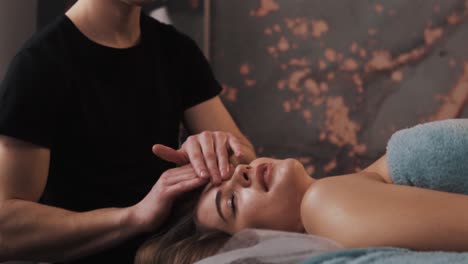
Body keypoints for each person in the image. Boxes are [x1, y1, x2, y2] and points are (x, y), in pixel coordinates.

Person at [0, 0, 255, 263]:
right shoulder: (39, 65)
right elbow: (5, 230)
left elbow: (246, 157)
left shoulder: (175, 50)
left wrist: (215, 150)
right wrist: (134, 217)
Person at [135, 119, 468, 264]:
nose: (241, 173)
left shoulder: (346, 195)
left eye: (229, 172)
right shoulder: (322, 203)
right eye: (231, 202)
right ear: (255, 249)